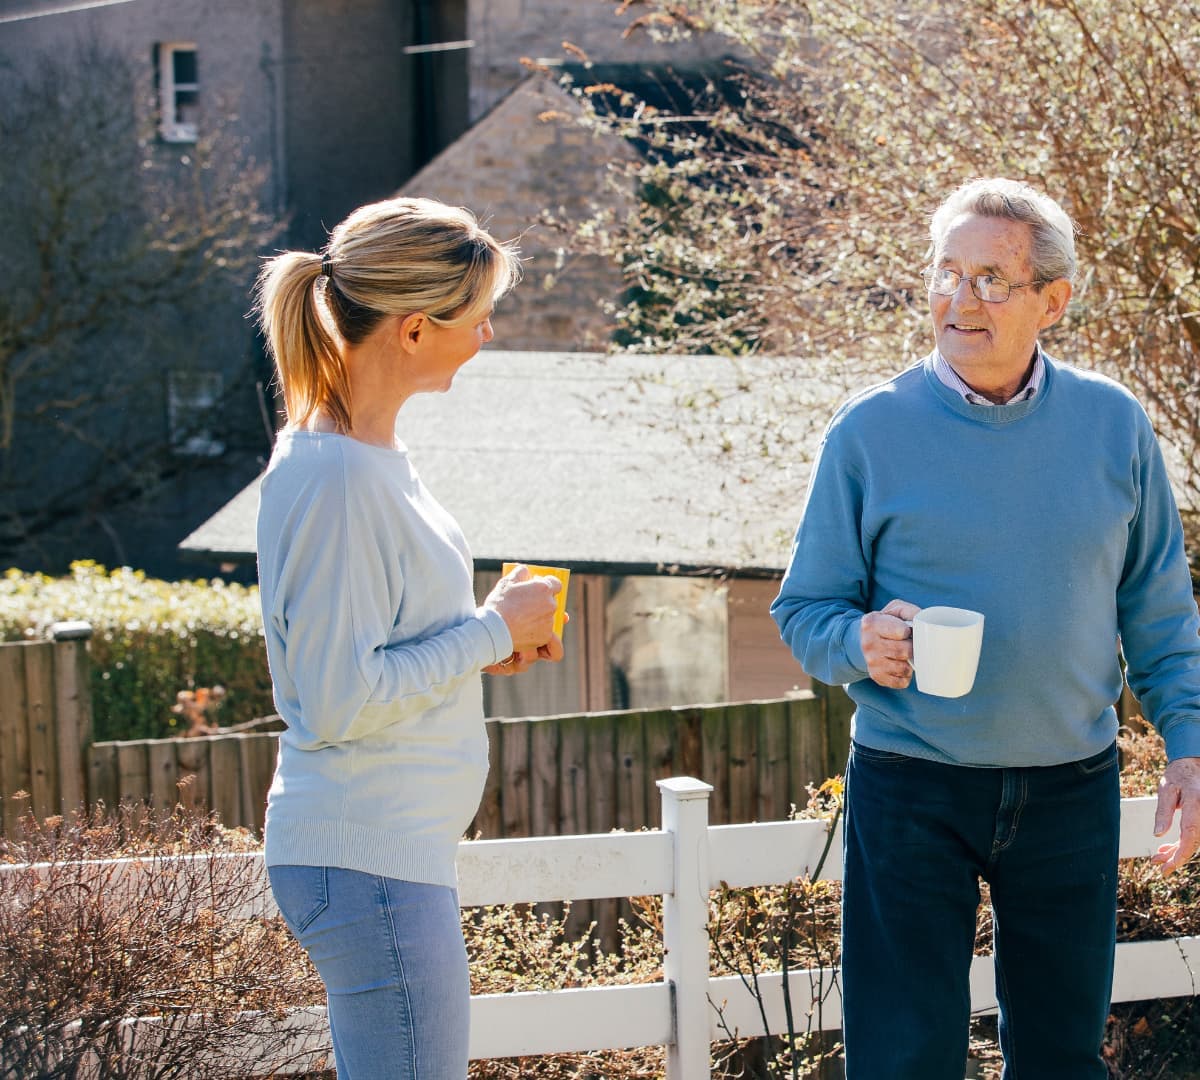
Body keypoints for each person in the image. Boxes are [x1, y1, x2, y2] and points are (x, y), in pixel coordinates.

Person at [771, 177, 1200, 1079]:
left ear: (1053, 300)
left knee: (1060, 1060)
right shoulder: (870, 431)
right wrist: (861, 644)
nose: (960, 301)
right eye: (946, 273)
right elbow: (804, 610)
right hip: (910, 785)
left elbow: (1159, 612)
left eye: (991, 280)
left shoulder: (1115, 426)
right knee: (902, 1061)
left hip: (1071, 789)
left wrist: (1190, 746)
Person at [253, 196, 564, 1080]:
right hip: (366, 859)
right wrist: (488, 629)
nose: (489, 334)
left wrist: (488, 638)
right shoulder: (337, 476)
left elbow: (384, 652)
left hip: (387, 858)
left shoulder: (368, 459)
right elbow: (337, 699)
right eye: (477, 318)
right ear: (417, 329)